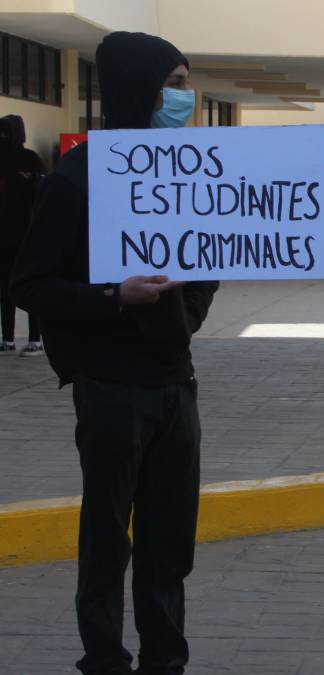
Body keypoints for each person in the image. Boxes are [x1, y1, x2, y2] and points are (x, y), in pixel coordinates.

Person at [10, 31, 219, 675]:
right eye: (175, 85)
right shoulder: (76, 180)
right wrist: (114, 298)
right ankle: (104, 658)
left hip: (174, 384)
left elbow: (207, 265)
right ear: (139, 89)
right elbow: (30, 285)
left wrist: (184, 315)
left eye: (186, 84)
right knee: (107, 538)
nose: (185, 98)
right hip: (108, 389)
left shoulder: (186, 176)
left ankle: (166, 659)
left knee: (169, 542)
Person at [0, 114, 47, 356]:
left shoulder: (30, 160)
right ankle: (13, 339)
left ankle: (30, 339)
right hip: (19, 235)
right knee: (10, 289)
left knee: (20, 287)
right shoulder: (30, 159)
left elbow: (43, 190)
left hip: (24, 234)